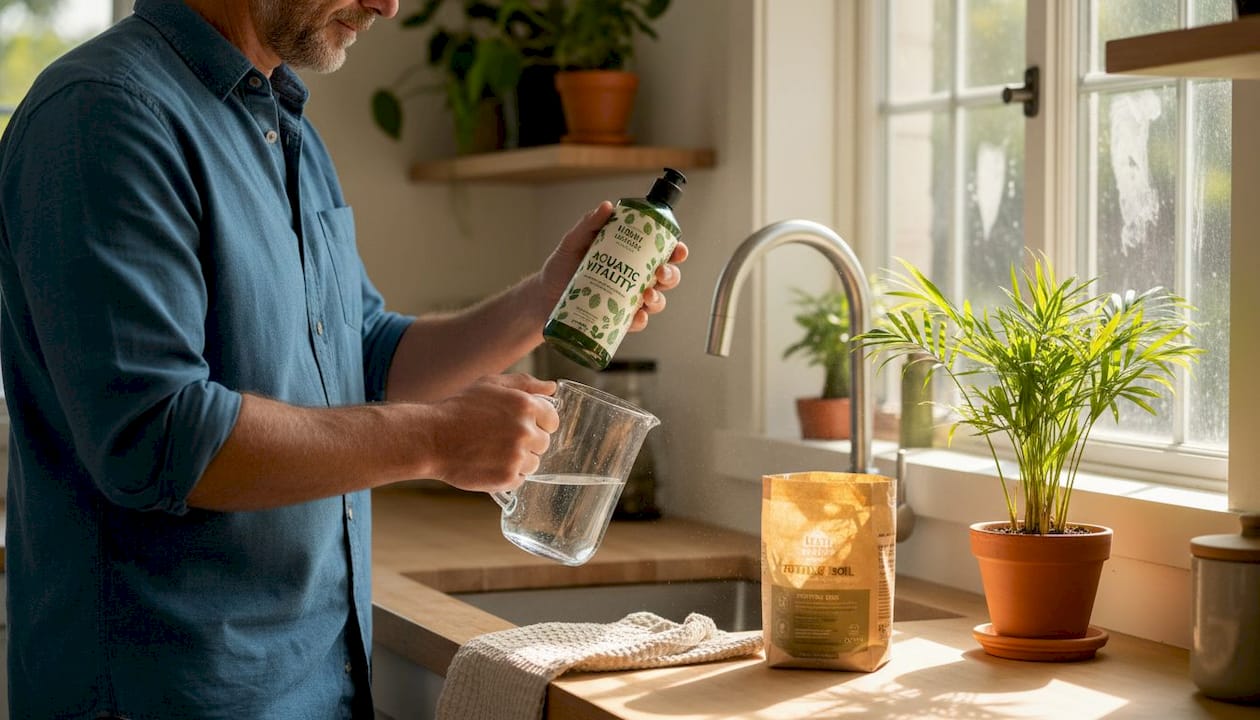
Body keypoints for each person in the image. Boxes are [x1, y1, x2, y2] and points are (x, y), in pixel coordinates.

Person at [0, 0, 689, 716]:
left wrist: (542, 302)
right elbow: (157, 434)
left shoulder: (280, 123)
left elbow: (366, 355)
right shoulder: (104, 114)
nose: (387, 4)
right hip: (174, 693)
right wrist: (437, 439)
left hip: (315, 681)